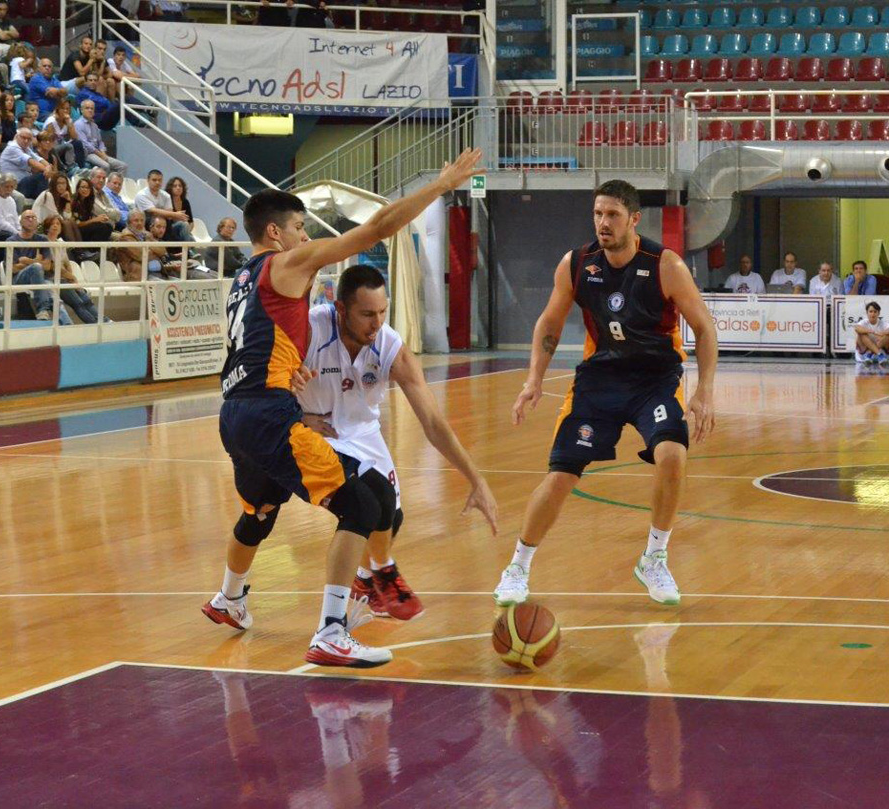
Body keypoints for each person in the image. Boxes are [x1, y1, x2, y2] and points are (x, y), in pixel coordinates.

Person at [203, 149, 493, 669]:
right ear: (275, 233)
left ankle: (229, 598)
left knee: (259, 511)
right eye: (300, 228)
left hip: (236, 412)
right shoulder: (287, 263)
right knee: (363, 503)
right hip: (267, 415)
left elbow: (255, 345)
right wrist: (440, 184)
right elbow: (377, 227)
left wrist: (287, 371)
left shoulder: (243, 279)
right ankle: (332, 631)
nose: (306, 239)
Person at [492, 180, 717, 610]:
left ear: (634, 219)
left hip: (654, 380)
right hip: (599, 381)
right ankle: (517, 566)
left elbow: (705, 329)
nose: (603, 223)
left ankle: (654, 558)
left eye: (612, 214)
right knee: (561, 476)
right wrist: (533, 380)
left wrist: (704, 391)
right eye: (598, 214)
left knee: (672, 454)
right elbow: (549, 323)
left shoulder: (665, 265)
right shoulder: (577, 263)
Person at [294, 265, 493, 620]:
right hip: (314, 431)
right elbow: (261, 382)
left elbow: (432, 421)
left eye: (383, 312)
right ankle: (379, 576)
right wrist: (296, 415)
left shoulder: (388, 344)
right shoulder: (309, 330)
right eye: (367, 314)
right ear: (340, 309)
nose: (377, 323)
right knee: (369, 504)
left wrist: (476, 479)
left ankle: (364, 580)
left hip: (363, 431)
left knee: (392, 516)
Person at [42, 214, 102, 325]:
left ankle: (105, 320)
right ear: (46, 227)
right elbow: (53, 266)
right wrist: (72, 278)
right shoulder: (44, 242)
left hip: (64, 278)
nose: (55, 226)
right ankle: (95, 324)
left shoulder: (60, 243)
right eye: (52, 224)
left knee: (86, 299)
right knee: (78, 303)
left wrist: (71, 280)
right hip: (52, 279)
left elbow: (67, 263)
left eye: (58, 224)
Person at [8, 209, 65, 321]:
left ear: (37, 222)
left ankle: (67, 324)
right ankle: (42, 309)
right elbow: (13, 269)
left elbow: (47, 266)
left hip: (40, 279)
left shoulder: (42, 239)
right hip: (18, 279)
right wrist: (36, 262)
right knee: (37, 268)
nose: (30, 220)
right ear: (20, 222)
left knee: (54, 295)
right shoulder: (11, 240)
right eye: (27, 217)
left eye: (33, 217)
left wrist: (27, 261)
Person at [134, 169, 191, 241]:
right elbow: (153, 211)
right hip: (147, 226)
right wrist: (175, 214)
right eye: (154, 180)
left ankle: (189, 248)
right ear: (148, 181)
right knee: (156, 221)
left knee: (184, 225)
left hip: (165, 226)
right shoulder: (141, 195)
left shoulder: (166, 195)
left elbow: (169, 216)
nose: (157, 182)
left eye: (160, 180)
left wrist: (172, 215)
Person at [75, 99, 125, 174]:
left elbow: (100, 142)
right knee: (106, 166)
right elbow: (85, 144)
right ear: (81, 110)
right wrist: (100, 154)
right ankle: (105, 182)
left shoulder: (94, 125)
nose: (90, 110)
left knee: (123, 166)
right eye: (87, 108)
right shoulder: (78, 124)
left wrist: (103, 152)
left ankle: (115, 181)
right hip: (88, 154)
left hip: (99, 153)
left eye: (92, 108)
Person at [0, 128, 50, 199]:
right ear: (17, 137)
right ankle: (43, 202)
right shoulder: (12, 148)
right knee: (42, 176)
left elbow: (39, 159)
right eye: (23, 138)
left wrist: (48, 167)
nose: (26, 141)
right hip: (14, 186)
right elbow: (31, 162)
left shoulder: (26, 148)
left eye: (29, 139)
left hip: (23, 183)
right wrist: (46, 169)